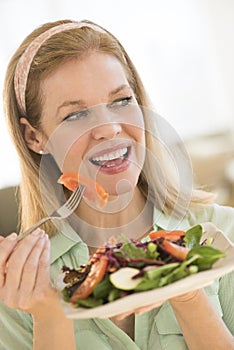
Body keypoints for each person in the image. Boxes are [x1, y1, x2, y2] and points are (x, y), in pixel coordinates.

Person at [0, 19, 233, 350]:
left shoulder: (223, 235)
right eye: (74, 115)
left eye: (122, 100)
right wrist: (50, 317)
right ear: (35, 137)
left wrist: (188, 291)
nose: (109, 128)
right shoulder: (20, 285)